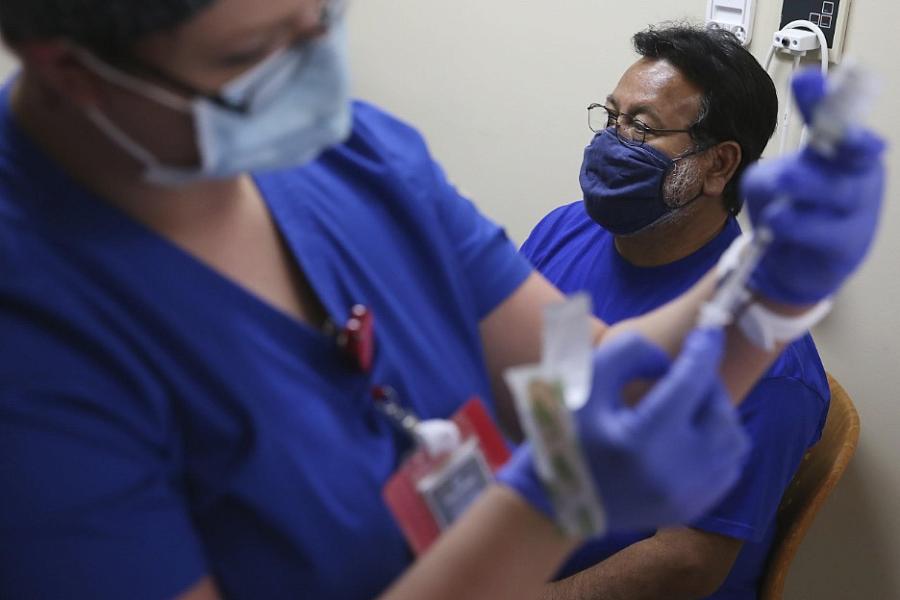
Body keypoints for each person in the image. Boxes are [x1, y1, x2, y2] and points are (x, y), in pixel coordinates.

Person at [0, 2, 884, 599]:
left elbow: (570, 375)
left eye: (324, 17)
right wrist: (543, 511)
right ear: (72, 69)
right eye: (255, 53)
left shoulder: (360, 154)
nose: (317, 73)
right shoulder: (37, 339)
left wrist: (760, 298)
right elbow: (568, 457)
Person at [521, 25, 847, 599]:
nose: (612, 143)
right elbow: (540, 381)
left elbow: (684, 561)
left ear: (718, 165)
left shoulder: (764, 366)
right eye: (612, 117)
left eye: (641, 128)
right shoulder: (567, 232)